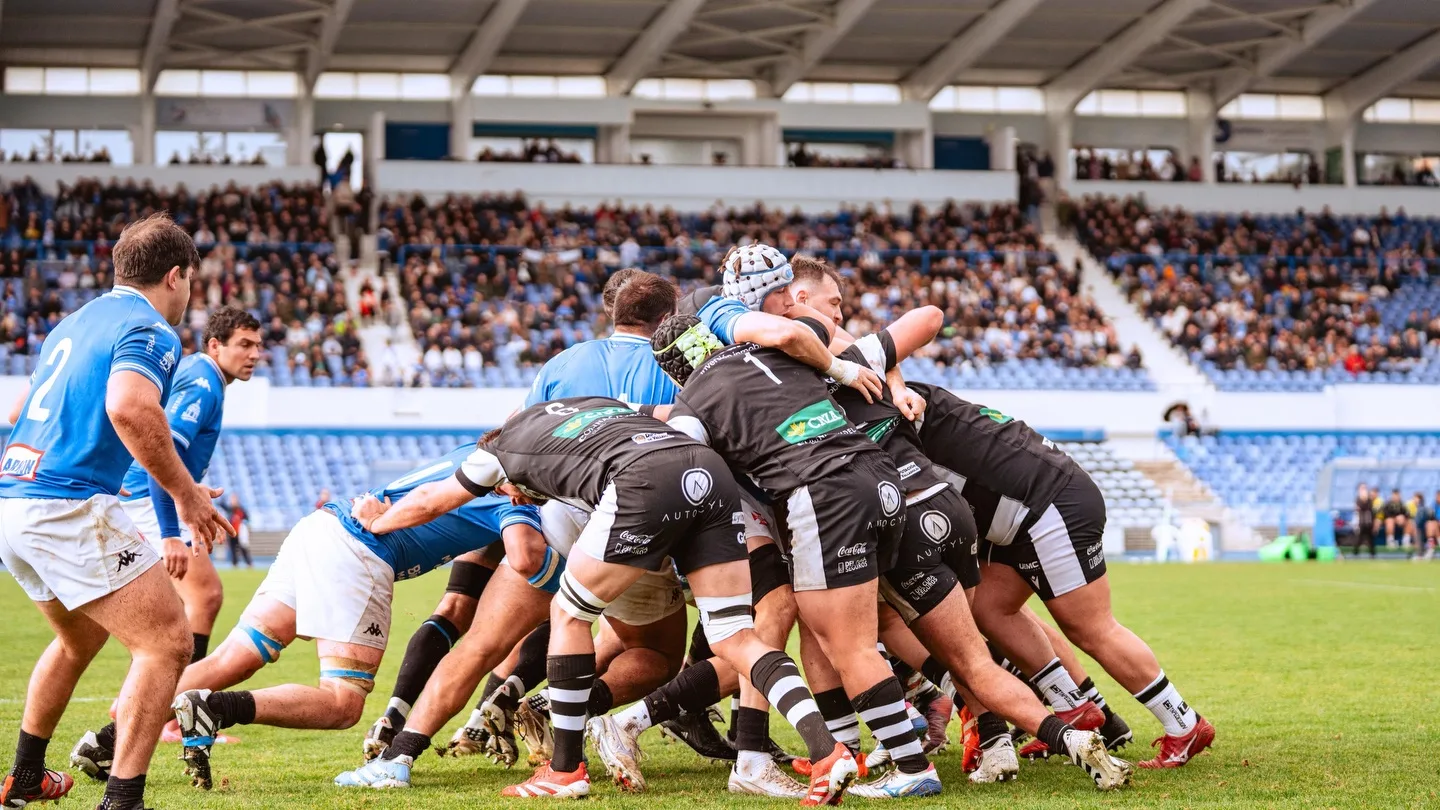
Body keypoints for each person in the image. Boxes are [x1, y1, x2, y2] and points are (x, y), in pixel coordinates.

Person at [335, 398, 859, 803]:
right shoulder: (590, 405)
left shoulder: (498, 453)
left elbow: (431, 499)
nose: (517, 499)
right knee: (734, 636)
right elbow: (676, 415)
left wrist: (374, 518)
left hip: (644, 483)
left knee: (568, 612)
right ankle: (827, 749)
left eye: (513, 495)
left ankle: (564, 772)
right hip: (709, 473)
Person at [71, 445, 555, 791]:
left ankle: (107, 740)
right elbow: (525, 555)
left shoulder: (473, 455)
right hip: (357, 550)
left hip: (320, 526)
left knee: (232, 658)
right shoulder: (512, 489)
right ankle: (217, 709)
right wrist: (555, 547)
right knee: (342, 703)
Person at [0, 213, 234, 810]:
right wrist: (185, 496)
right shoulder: (150, 328)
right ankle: (123, 801)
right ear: (176, 276)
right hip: (67, 504)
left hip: (14, 501)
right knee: (168, 643)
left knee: (78, 641)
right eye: (192, 283)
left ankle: (26, 778)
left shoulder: (72, 325)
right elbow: (131, 408)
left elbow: (18, 411)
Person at [906, 382, 1214, 770]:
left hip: (1046, 504)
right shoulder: (890, 389)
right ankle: (1073, 707)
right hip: (1025, 513)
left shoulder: (886, 397)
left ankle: (1184, 724)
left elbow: (923, 321)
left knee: (1091, 628)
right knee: (988, 607)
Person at [118, 306, 262, 668]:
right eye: (244, 345)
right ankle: (173, 714)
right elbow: (162, 452)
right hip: (150, 499)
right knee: (206, 595)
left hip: (147, 496)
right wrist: (170, 531)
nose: (255, 354)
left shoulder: (201, 373)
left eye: (258, 346)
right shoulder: (203, 382)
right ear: (215, 345)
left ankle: (140, 717)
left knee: (171, 617)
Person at [225, 495, 253, 568]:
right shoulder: (230, 510)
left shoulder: (241, 510)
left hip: (240, 533)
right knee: (233, 549)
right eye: (232, 500)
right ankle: (235, 564)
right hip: (231, 533)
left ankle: (249, 563)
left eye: (234, 500)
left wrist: (244, 527)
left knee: (243, 548)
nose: (233, 502)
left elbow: (247, 519)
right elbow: (221, 505)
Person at [1353, 484, 1378, 557]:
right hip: (1361, 522)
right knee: (1359, 538)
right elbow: (1359, 508)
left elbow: (1371, 509)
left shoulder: (1370, 500)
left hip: (1369, 522)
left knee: (1371, 538)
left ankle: (1372, 554)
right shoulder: (1358, 500)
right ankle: (1355, 553)